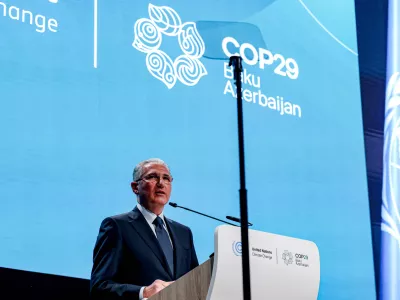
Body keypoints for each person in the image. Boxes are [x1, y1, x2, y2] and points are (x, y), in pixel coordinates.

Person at [90, 158, 199, 299]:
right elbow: (99, 287)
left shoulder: (184, 233)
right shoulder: (117, 226)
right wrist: (144, 292)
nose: (161, 183)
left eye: (166, 178)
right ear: (135, 187)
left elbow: (196, 282)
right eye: (152, 177)